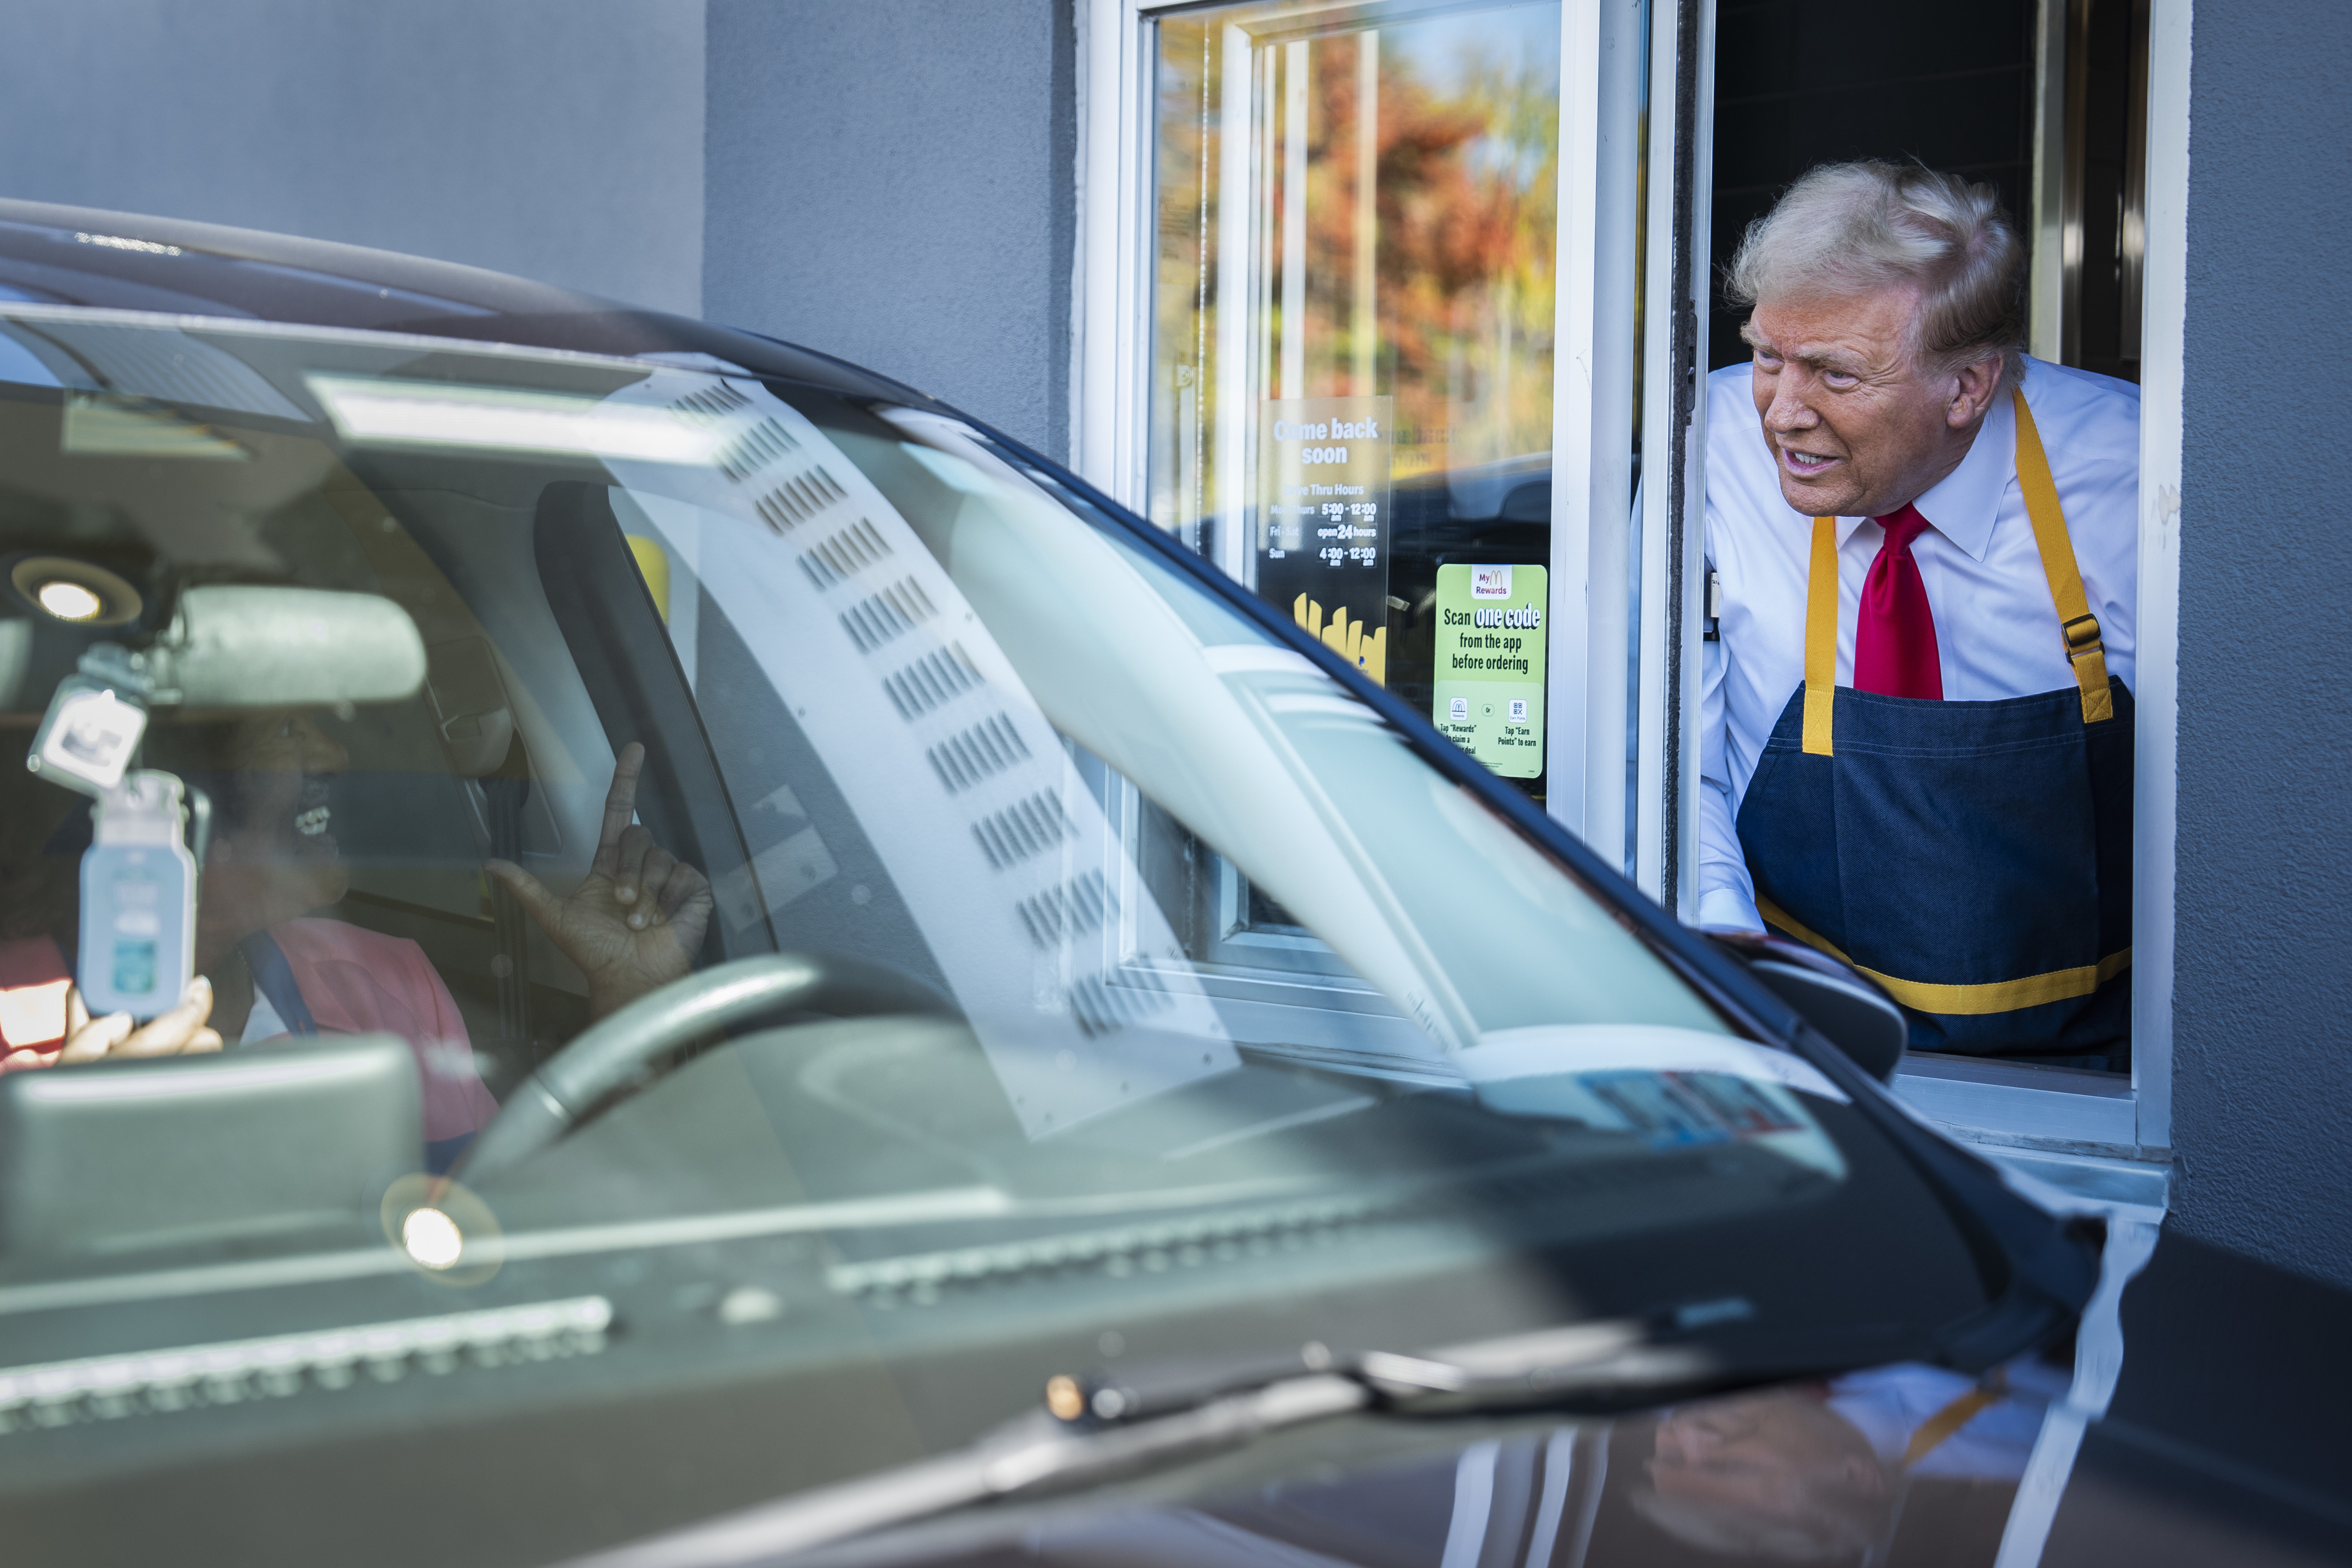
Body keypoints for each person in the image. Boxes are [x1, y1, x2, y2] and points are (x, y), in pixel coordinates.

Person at [1698, 162, 2139, 1068]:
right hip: (1797, 1036)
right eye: (1768, 355)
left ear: (1969, 386)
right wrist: (1719, 939)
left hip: (2090, 1064)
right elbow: (1659, 729)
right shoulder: (1712, 444)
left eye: (1834, 372)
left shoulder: (2138, 477)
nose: (1782, 412)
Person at [0, 714, 711, 1168]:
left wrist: (629, 999)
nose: (335, 752)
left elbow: (520, 1220)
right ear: (160, 791)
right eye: (283, 725)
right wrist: (71, 1160)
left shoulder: (386, 981)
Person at [1633, 1356, 2069, 1561]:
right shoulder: (2024, 1419)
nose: (1689, 1432)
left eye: (1669, 1457)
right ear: (1857, 1474)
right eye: (1732, 1466)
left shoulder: (1689, 1383)